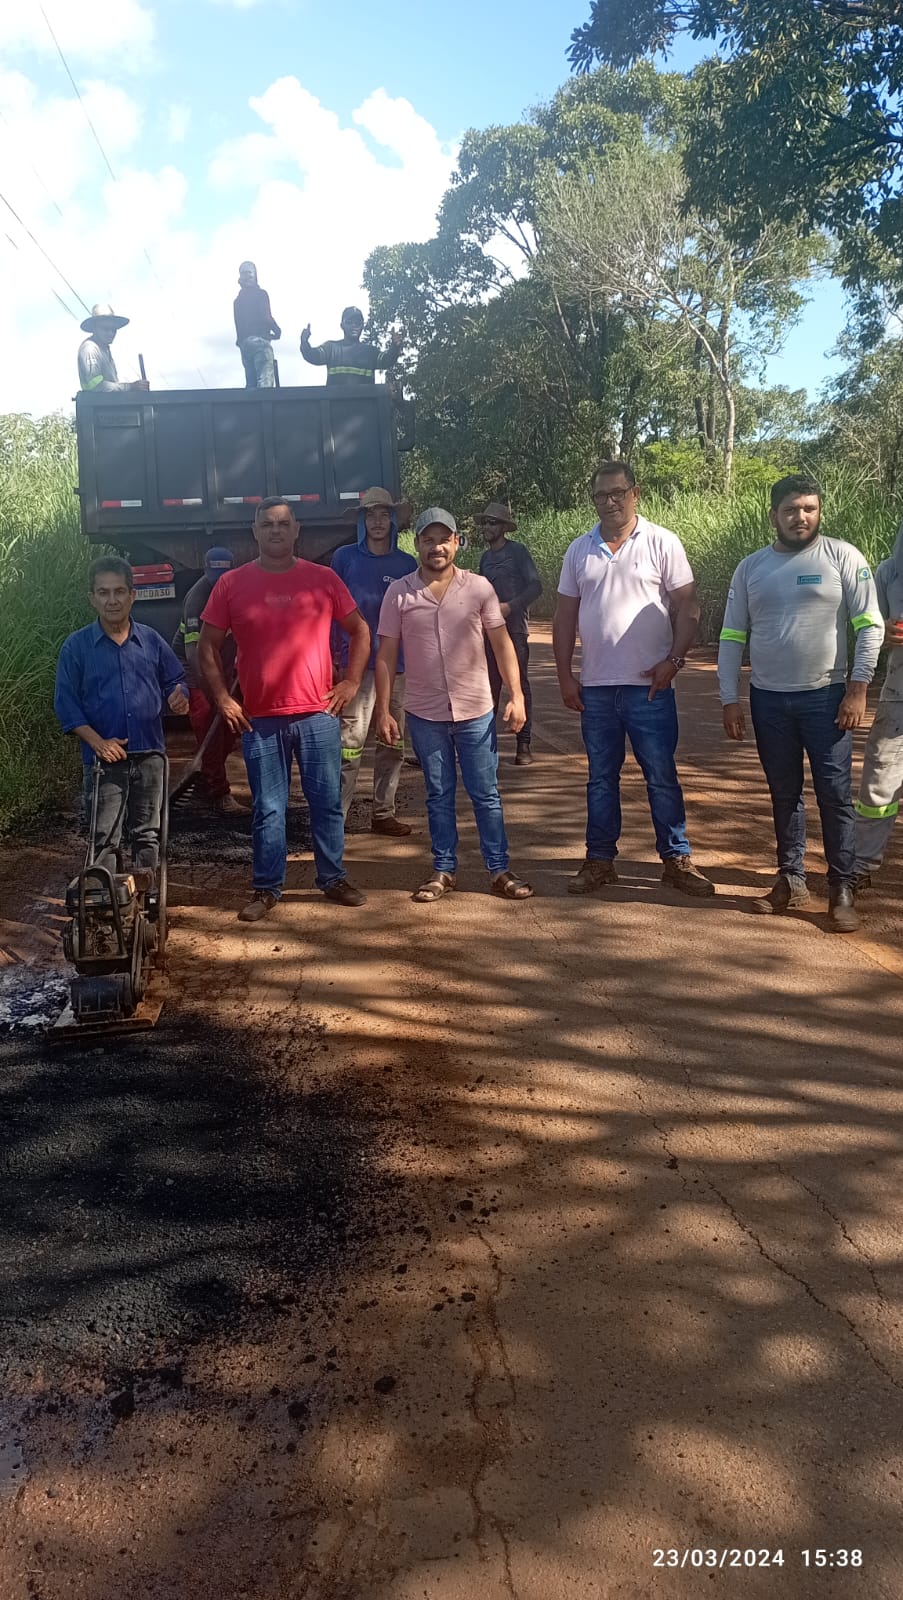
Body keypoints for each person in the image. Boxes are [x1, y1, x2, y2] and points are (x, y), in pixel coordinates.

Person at [719, 473, 882, 932]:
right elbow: (732, 635)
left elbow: (869, 625)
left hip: (827, 697)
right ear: (774, 516)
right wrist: (729, 698)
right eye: (791, 509)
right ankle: (791, 879)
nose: (801, 517)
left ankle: (842, 887)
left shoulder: (843, 557)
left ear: (819, 512)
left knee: (834, 796)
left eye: (809, 508)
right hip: (768, 700)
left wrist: (857, 686)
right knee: (783, 794)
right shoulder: (750, 568)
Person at [198, 497, 371, 922]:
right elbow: (206, 646)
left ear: (297, 531)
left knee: (326, 802)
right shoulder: (232, 585)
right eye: (267, 524)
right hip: (261, 720)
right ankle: (267, 887)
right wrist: (222, 698)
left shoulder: (323, 579)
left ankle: (332, 878)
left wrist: (349, 682)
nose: (276, 530)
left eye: (283, 523)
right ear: (255, 532)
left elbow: (360, 630)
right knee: (268, 808)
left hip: (318, 716)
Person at [554, 461, 714, 898]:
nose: (608, 502)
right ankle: (599, 860)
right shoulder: (579, 550)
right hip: (597, 687)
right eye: (600, 495)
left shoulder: (662, 542)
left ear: (635, 494)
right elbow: (565, 618)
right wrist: (566, 677)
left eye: (617, 493)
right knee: (600, 778)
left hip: (652, 687)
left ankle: (677, 861)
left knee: (661, 775)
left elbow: (689, 606)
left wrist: (675, 660)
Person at [374, 507, 533, 903]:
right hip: (425, 714)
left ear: (457, 542)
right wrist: (382, 710)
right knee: (438, 794)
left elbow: (501, 643)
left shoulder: (479, 588)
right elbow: (385, 654)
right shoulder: (400, 593)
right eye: (428, 539)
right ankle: (443, 870)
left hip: (475, 710)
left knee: (486, 793)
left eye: (444, 539)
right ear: (417, 545)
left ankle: (499, 869)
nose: (436, 547)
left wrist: (516, 694)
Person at [54, 556, 188, 880]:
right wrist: (98, 743)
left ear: (132, 595)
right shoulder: (77, 648)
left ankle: (147, 904)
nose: (111, 600)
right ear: (92, 598)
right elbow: (66, 703)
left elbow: (176, 678)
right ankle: (107, 906)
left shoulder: (151, 641)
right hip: (103, 761)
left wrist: (180, 695)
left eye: (118, 591)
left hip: (150, 755)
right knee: (104, 838)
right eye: (103, 592)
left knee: (147, 834)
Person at [331, 487, 417, 835]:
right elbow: (331, 612)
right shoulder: (345, 559)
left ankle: (383, 812)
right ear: (361, 521)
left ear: (394, 520)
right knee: (349, 745)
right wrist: (334, 658)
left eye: (384, 515)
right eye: (371, 515)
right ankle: (336, 818)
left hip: (397, 668)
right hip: (356, 669)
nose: (378, 522)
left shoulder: (407, 564)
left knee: (392, 741)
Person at [172, 547, 246, 815]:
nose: (219, 583)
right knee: (210, 726)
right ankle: (218, 792)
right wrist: (218, 697)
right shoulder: (197, 599)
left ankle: (205, 779)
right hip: (194, 669)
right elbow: (196, 655)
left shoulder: (238, 589)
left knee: (230, 731)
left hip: (222, 665)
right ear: (205, 571)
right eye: (214, 576)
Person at [853, 520, 903, 891]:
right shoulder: (888, 572)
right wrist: (886, 631)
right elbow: (871, 628)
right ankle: (860, 865)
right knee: (878, 785)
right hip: (897, 696)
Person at [477, 500, 542, 766]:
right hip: (488, 633)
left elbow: (536, 587)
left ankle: (523, 744)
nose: (487, 527)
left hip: (514, 631)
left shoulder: (517, 552)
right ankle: (484, 747)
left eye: (493, 523)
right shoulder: (485, 558)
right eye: (485, 522)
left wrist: (510, 607)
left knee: (519, 685)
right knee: (488, 688)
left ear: (503, 527)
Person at [300, 306, 402, 385]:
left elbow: (387, 361)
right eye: (349, 322)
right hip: (335, 409)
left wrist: (394, 347)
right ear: (342, 325)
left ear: (362, 325)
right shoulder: (331, 348)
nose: (354, 325)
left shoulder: (371, 352)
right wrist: (305, 343)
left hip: (366, 410)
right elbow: (314, 356)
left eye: (357, 322)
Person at [77, 304, 149, 394]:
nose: (111, 333)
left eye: (113, 329)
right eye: (105, 329)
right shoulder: (90, 349)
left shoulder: (105, 349)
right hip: (97, 407)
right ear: (94, 328)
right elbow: (95, 386)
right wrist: (130, 387)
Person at [233, 261, 281, 389]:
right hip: (260, 342)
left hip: (244, 346)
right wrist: (277, 330)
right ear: (254, 275)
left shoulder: (237, 301)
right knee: (265, 382)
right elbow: (266, 317)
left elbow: (238, 326)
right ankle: (266, 408)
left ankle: (251, 408)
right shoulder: (260, 294)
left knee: (251, 385)